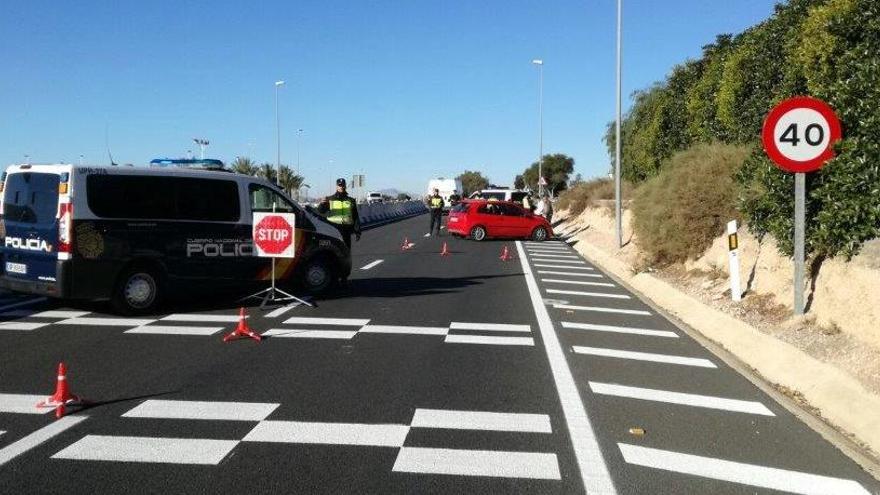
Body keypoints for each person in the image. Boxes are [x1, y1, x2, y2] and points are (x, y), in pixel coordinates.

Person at [318, 178, 361, 249]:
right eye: (340, 185)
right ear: (337, 186)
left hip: (346, 232)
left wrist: (357, 231)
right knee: (334, 253)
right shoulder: (330, 199)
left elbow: (355, 216)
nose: (341, 187)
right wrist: (322, 204)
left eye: (343, 185)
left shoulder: (351, 200)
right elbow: (321, 211)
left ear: (345, 186)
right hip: (333, 231)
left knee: (346, 253)